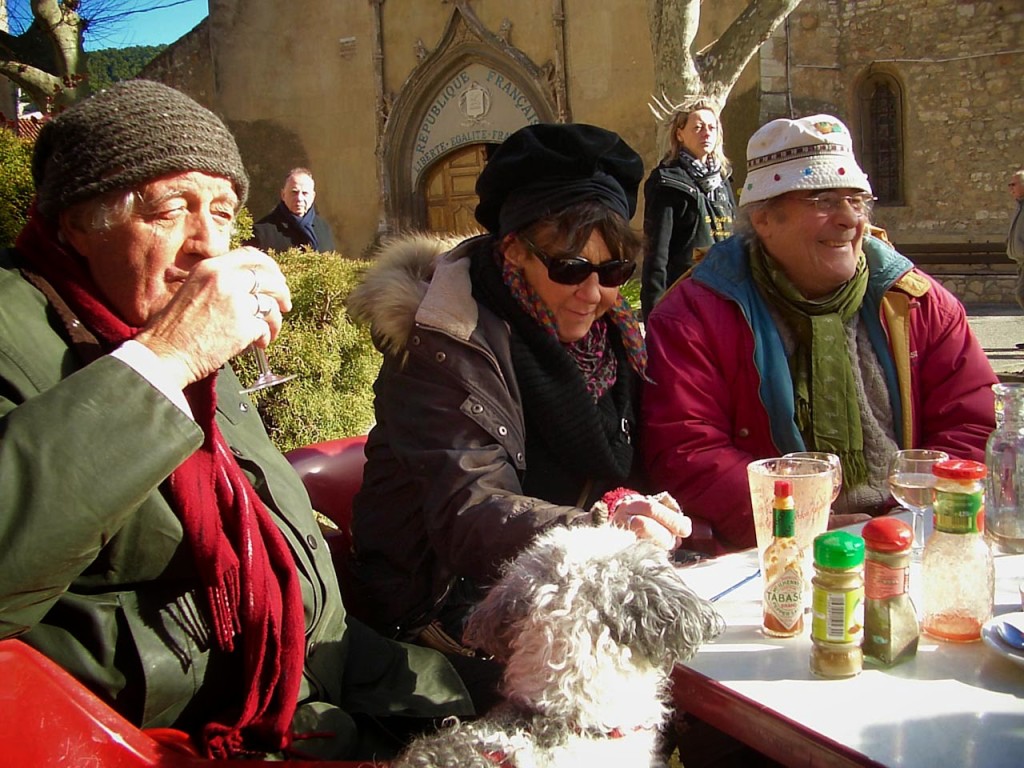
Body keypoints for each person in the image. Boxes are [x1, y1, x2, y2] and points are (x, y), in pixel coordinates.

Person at [0, 79, 472, 761]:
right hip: (182, 732)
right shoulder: (49, 330)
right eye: (171, 210)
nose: (205, 246)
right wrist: (167, 359)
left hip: (308, 670)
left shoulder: (169, 327)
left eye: (222, 213)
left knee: (458, 698)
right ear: (77, 222)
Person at [346, 123, 693, 703]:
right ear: (513, 251)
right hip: (445, 608)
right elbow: (470, 510)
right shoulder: (440, 345)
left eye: (612, 273)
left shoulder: (613, 339)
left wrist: (644, 510)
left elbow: (624, 470)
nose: (595, 294)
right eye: (570, 268)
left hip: (567, 580)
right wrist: (603, 531)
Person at [642, 114, 997, 552]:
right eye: (824, 200)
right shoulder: (694, 314)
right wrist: (801, 521)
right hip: (767, 556)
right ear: (766, 219)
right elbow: (685, 451)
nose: (850, 220)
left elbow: (972, 423)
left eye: (858, 201)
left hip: (912, 540)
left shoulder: (916, 303)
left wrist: (911, 516)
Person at [640, 101, 736, 321]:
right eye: (698, 127)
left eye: (712, 128)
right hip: (684, 299)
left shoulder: (724, 179)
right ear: (680, 134)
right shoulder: (667, 181)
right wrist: (654, 315)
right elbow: (657, 255)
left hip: (725, 294)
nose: (706, 133)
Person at [249, 167, 337, 252]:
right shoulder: (262, 232)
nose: (299, 198)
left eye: (305, 193)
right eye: (294, 192)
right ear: (283, 194)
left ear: (313, 196)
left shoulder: (323, 228)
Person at [1006, 166, 1024, 348]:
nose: (1010, 188)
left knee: (1022, 294)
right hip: (1021, 262)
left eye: (1014, 184)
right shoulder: (1020, 206)